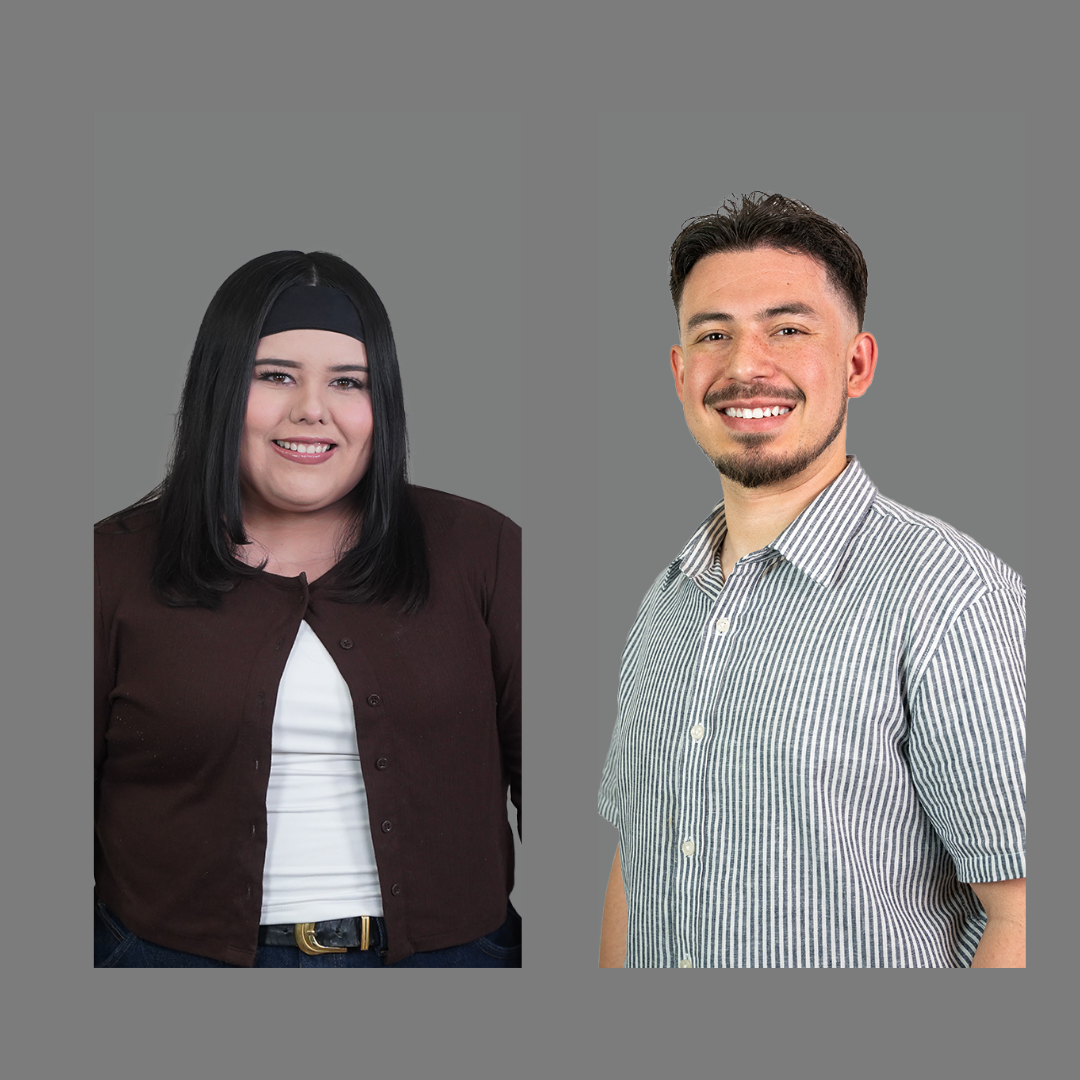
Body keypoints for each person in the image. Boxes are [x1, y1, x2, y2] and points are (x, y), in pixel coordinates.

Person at [597, 194, 1025, 968]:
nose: (744, 367)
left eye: (787, 330)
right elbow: (637, 862)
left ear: (856, 364)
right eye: (713, 335)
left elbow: (1025, 915)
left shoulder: (952, 594)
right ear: (680, 371)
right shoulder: (664, 602)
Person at [95, 251, 521, 967]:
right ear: (220, 390)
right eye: (275, 376)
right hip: (166, 959)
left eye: (348, 382)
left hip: (451, 958)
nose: (311, 410)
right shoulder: (112, 563)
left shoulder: (481, 549)